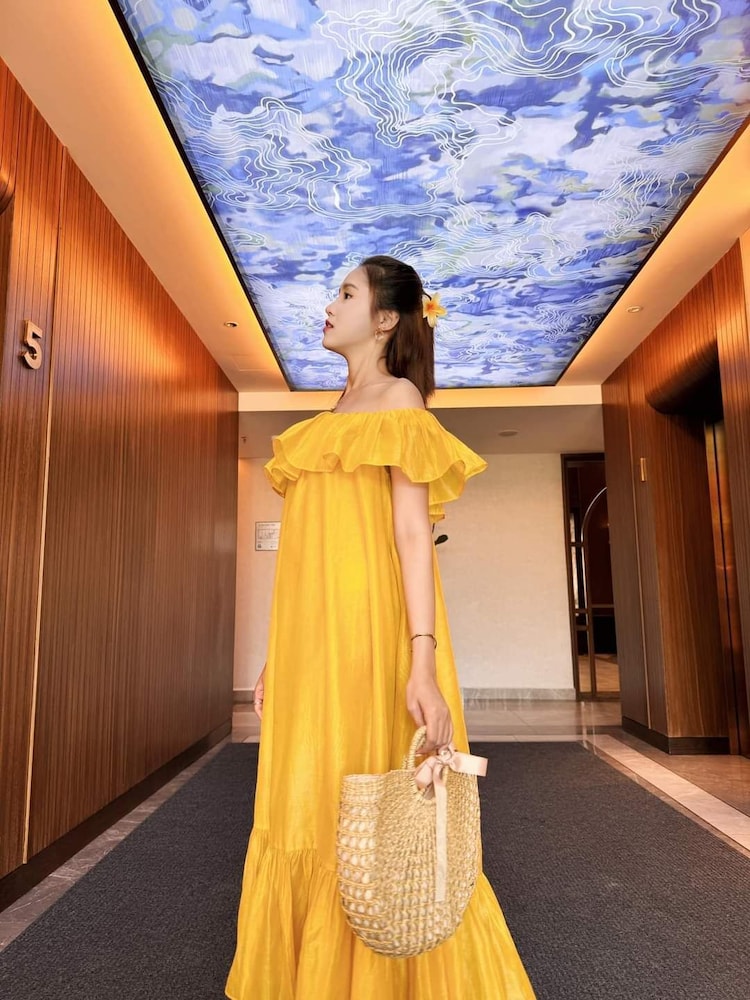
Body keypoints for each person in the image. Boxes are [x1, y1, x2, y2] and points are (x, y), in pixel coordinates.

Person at [225, 256, 536, 999]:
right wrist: (275, 656)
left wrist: (422, 660)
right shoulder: (331, 416)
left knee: (370, 809)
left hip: (371, 638)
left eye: (346, 293)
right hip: (312, 646)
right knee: (308, 803)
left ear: (386, 319)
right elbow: (305, 558)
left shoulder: (399, 399)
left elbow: (410, 536)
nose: (329, 304)